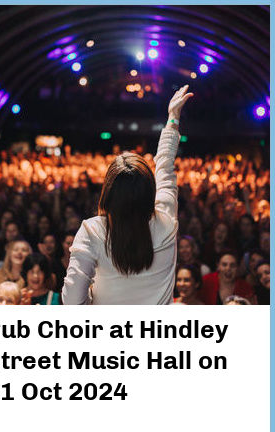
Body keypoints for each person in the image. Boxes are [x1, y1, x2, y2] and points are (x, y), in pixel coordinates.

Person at [62, 85, 194, 304]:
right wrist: (172, 119)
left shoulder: (93, 230)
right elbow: (165, 170)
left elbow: (72, 302)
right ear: (149, 192)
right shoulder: (166, 221)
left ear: (108, 192)